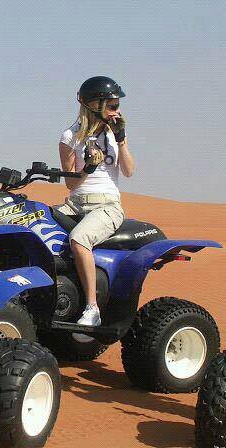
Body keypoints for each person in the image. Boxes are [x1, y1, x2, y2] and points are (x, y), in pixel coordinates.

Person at [57, 76, 135, 340]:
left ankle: (92, 308)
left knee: (79, 239)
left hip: (108, 205)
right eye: (112, 105)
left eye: (116, 105)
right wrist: (88, 168)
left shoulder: (114, 135)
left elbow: (129, 171)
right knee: (36, 222)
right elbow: (70, 183)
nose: (116, 111)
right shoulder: (70, 137)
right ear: (94, 104)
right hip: (76, 204)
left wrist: (121, 140)